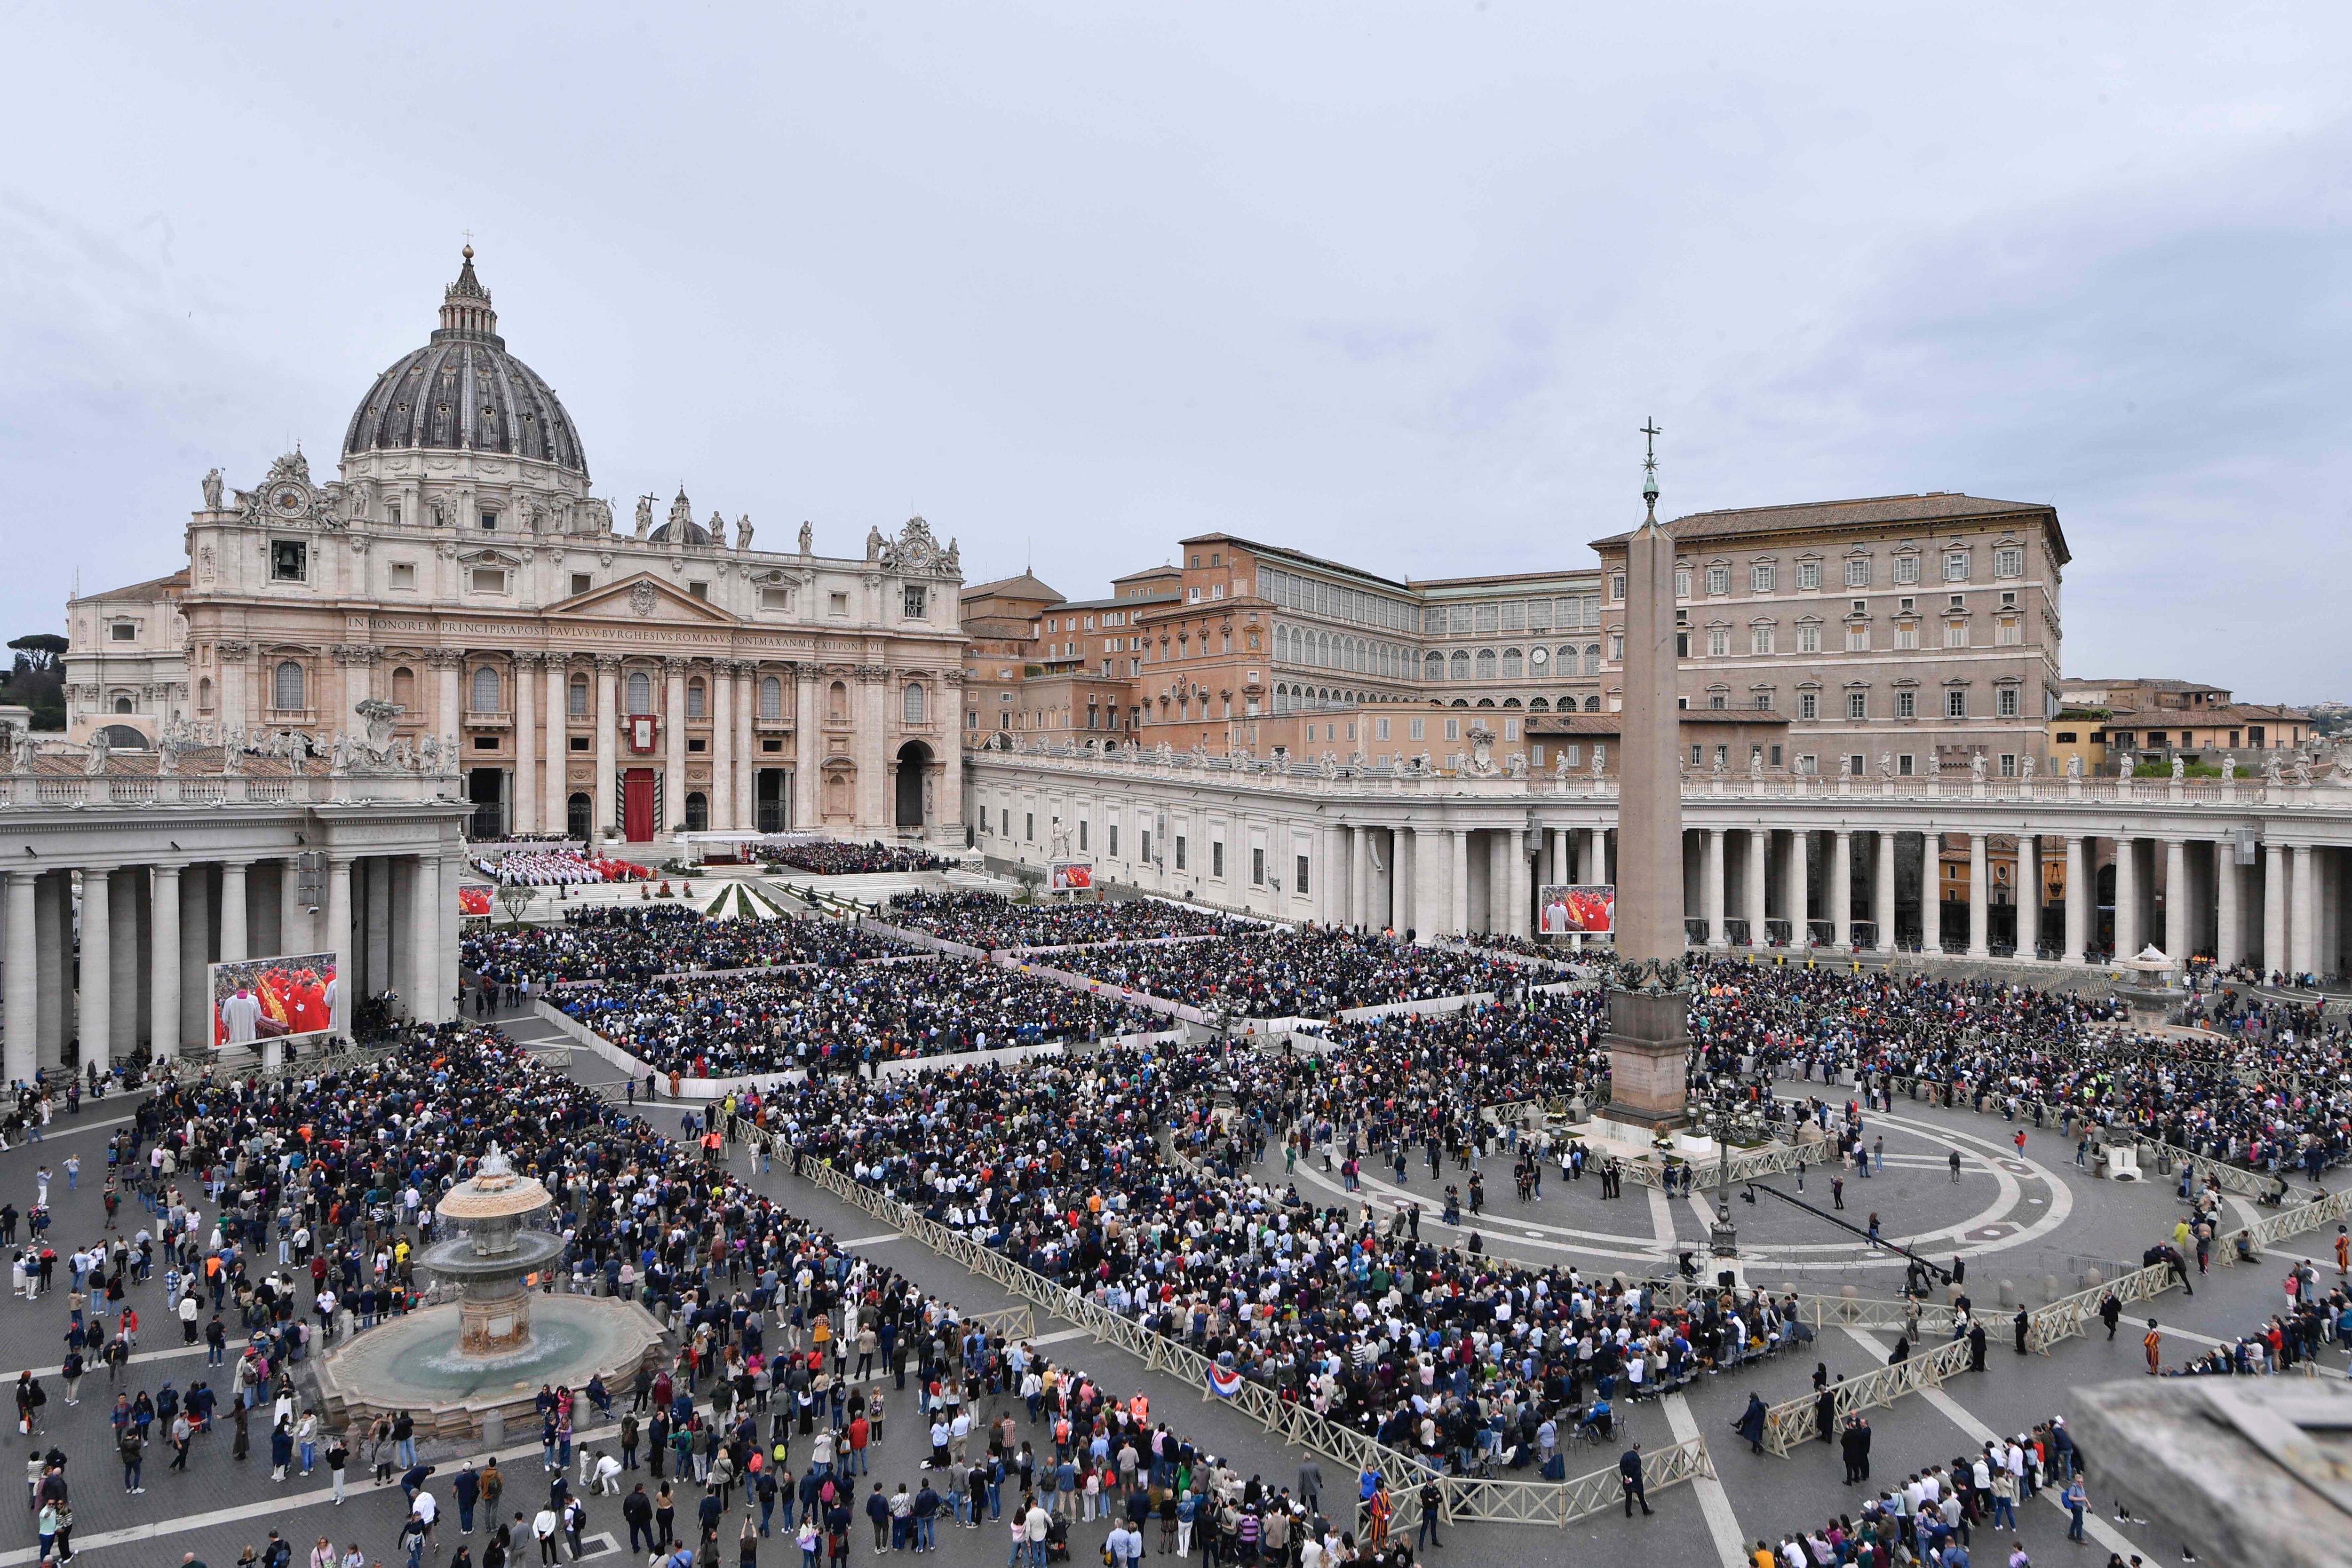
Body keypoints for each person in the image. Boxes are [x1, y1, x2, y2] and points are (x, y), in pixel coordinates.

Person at [1618, 1441, 1651, 1518]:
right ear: (1638, 1449)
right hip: (1636, 1482)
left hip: (1627, 1481)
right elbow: (1637, 1473)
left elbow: (1621, 1466)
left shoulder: (1625, 1456)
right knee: (1641, 1497)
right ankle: (1645, 1511)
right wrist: (1631, 1479)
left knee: (1628, 1497)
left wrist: (1625, 1477)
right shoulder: (1637, 1459)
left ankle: (1628, 1513)